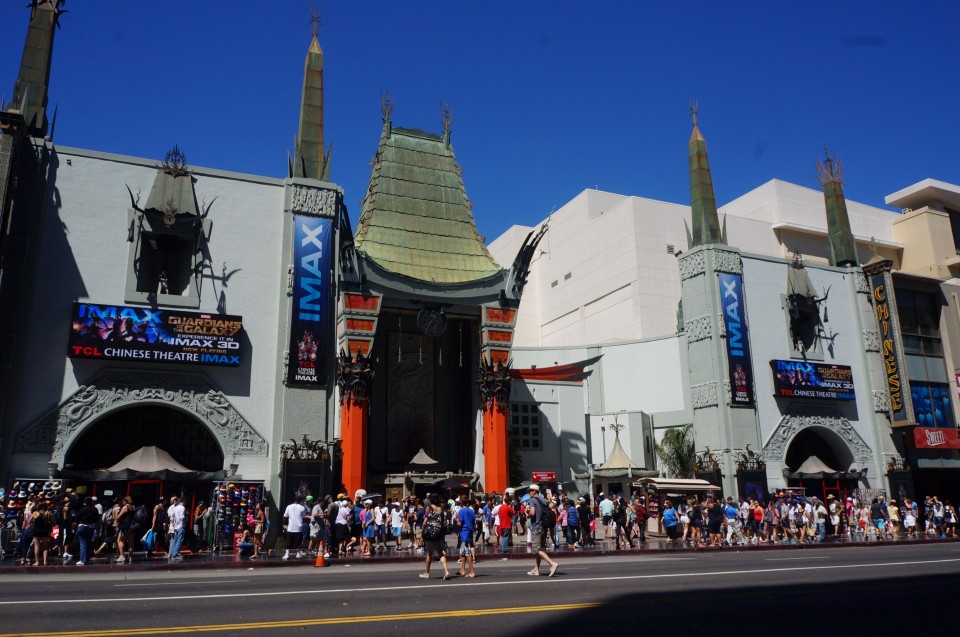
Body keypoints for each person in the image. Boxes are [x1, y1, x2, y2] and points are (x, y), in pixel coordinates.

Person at [524, 484, 560, 577]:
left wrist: (527, 515)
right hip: (544, 527)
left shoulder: (532, 500)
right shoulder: (544, 500)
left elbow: (532, 512)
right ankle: (536, 569)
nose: (529, 493)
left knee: (536, 549)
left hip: (536, 527)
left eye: (530, 491)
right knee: (540, 549)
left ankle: (552, 564)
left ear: (534, 491)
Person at [419, 498, 451, 580]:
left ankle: (427, 573)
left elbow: (425, 520)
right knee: (440, 553)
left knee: (429, 554)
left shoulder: (428, 508)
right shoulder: (441, 510)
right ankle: (446, 571)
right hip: (438, 534)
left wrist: (423, 531)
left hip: (430, 533)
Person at [75, 496, 99, 566]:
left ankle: (83, 560)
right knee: (88, 543)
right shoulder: (95, 509)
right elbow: (97, 518)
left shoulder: (83, 509)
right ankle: (87, 559)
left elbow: (77, 518)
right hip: (91, 527)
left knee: (83, 543)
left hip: (83, 526)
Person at [456, 495, 476, 577]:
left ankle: (472, 572)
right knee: (463, 553)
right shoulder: (471, 510)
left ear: (461, 502)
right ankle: (462, 570)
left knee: (467, 553)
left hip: (464, 533)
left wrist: (456, 519)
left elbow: (460, 523)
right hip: (469, 532)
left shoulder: (461, 511)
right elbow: (474, 521)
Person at [282, 494, 307, 560]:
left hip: (290, 527)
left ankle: (287, 554)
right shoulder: (302, 507)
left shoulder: (289, 506)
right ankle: (298, 554)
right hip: (299, 527)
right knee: (298, 542)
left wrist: (283, 524)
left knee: (288, 542)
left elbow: (285, 516)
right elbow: (303, 516)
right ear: (301, 500)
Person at [115, 496, 136, 563]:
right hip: (132, 527)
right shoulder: (133, 507)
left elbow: (119, 516)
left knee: (120, 540)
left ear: (125, 501)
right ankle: (130, 557)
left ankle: (122, 556)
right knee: (130, 542)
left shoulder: (125, 507)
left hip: (125, 527)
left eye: (123, 501)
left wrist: (117, 521)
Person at [167, 496, 186, 561]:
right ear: (183, 501)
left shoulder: (175, 508)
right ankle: (175, 555)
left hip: (175, 527)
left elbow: (171, 517)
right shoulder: (182, 508)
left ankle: (173, 554)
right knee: (179, 541)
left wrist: (173, 524)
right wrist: (183, 523)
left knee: (175, 540)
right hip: (180, 526)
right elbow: (182, 517)